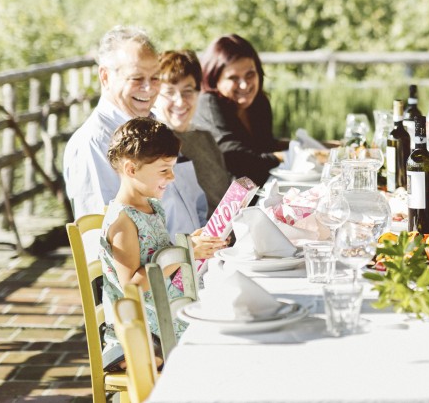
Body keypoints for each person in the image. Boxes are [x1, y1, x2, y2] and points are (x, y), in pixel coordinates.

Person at [62, 26, 218, 249]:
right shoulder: (93, 143)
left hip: (197, 267)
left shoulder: (157, 128)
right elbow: (108, 247)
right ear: (105, 77)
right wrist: (187, 253)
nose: (148, 89)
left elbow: (194, 206)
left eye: (155, 78)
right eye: (136, 78)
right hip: (158, 278)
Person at [99, 117, 187, 372]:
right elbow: (132, 286)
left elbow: (158, 254)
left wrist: (193, 247)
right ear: (131, 169)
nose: (171, 177)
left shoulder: (151, 206)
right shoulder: (124, 221)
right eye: (163, 170)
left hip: (164, 311)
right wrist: (182, 254)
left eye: (172, 168)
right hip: (145, 326)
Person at [154, 49, 256, 212]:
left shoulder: (204, 137)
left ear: (198, 92)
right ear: (155, 95)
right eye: (169, 93)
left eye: (187, 91)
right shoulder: (155, 145)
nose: (180, 102)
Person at [193, 34, 288, 186]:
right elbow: (239, 161)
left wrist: (304, 148)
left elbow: (266, 147)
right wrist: (288, 156)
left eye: (250, 74)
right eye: (233, 78)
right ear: (214, 79)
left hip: (260, 190)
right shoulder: (208, 103)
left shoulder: (259, 102)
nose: (244, 85)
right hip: (222, 202)